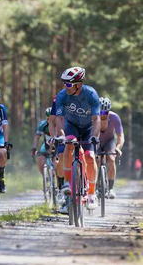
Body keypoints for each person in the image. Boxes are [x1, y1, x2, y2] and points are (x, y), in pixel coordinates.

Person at [55, 66, 101, 212]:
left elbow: (97, 119)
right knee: (68, 145)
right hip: (72, 126)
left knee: (90, 157)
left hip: (88, 128)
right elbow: (59, 119)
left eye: (69, 84)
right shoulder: (62, 95)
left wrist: (95, 136)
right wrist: (61, 135)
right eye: (64, 83)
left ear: (79, 84)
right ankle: (68, 183)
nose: (66, 87)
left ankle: (92, 194)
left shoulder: (91, 94)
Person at [98, 97, 124, 199]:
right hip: (96, 141)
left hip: (109, 141)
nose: (102, 115)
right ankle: (94, 185)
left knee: (111, 159)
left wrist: (118, 147)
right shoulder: (93, 117)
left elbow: (121, 136)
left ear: (109, 111)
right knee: (95, 160)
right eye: (100, 112)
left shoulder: (114, 117)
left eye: (105, 113)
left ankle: (110, 188)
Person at [31, 107, 53, 175]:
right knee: (40, 161)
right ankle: (45, 178)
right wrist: (34, 148)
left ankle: (60, 181)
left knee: (56, 163)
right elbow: (37, 137)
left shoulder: (58, 124)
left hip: (57, 145)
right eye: (49, 118)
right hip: (46, 145)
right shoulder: (43, 124)